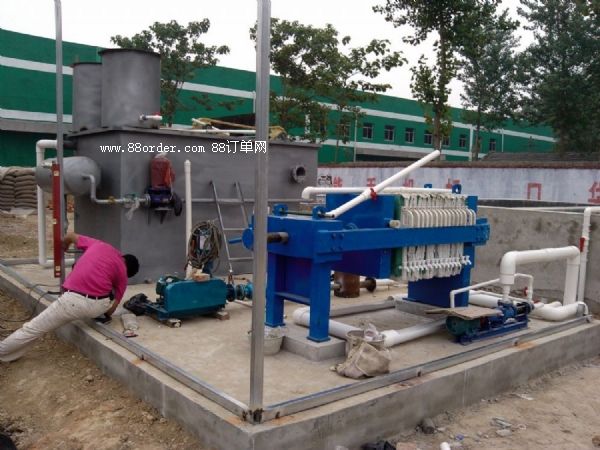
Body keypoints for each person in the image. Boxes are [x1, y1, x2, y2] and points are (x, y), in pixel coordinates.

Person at [0, 232, 139, 362]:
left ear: (123, 256)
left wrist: (65, 246)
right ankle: (6, 354)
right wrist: (106, 306)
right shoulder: (122, 275)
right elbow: (111, 310)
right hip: (95, 307)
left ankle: (3, 351)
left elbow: (70, 235)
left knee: (33, 329)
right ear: (128, 272)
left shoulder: (100, 245)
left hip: (71, 301)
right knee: (107, 297)